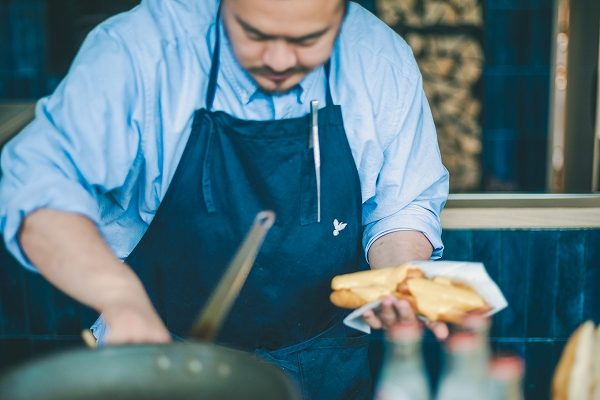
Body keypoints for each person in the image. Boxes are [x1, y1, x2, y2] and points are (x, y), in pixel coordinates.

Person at [0, 0, 449, 398]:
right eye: (253, 34)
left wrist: (397, 278)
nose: (278, 59)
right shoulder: (142, 50)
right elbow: (38, 186)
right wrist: (121, 300)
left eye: (309, 40)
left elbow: (401, 205)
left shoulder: (379, 59)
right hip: (161, 353)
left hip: (327, 362)